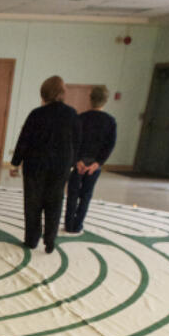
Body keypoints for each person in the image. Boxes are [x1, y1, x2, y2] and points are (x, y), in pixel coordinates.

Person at [9, 75, 79, 254]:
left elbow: (24, 140)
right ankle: (50, 240)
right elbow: (78, 141)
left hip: (35, 166)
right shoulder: (71, 114)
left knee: (33, 203)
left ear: (44, 93)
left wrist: (15, 163)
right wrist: (72, 163)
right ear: (62, 93)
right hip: (60, 167)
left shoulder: (36, 114)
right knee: (54, 202)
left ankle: (31, 240)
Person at [64, 85, 117, 234]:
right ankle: (78, 225)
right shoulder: (110, 121)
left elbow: (73, 141)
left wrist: (77, 161)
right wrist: (97, 163)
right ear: (106, 101)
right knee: (86, 195)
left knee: (73, 194)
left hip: (79, 164)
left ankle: (68, 224)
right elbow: (110, 145)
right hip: (94, 165)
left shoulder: (80, 118)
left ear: (90, 99)